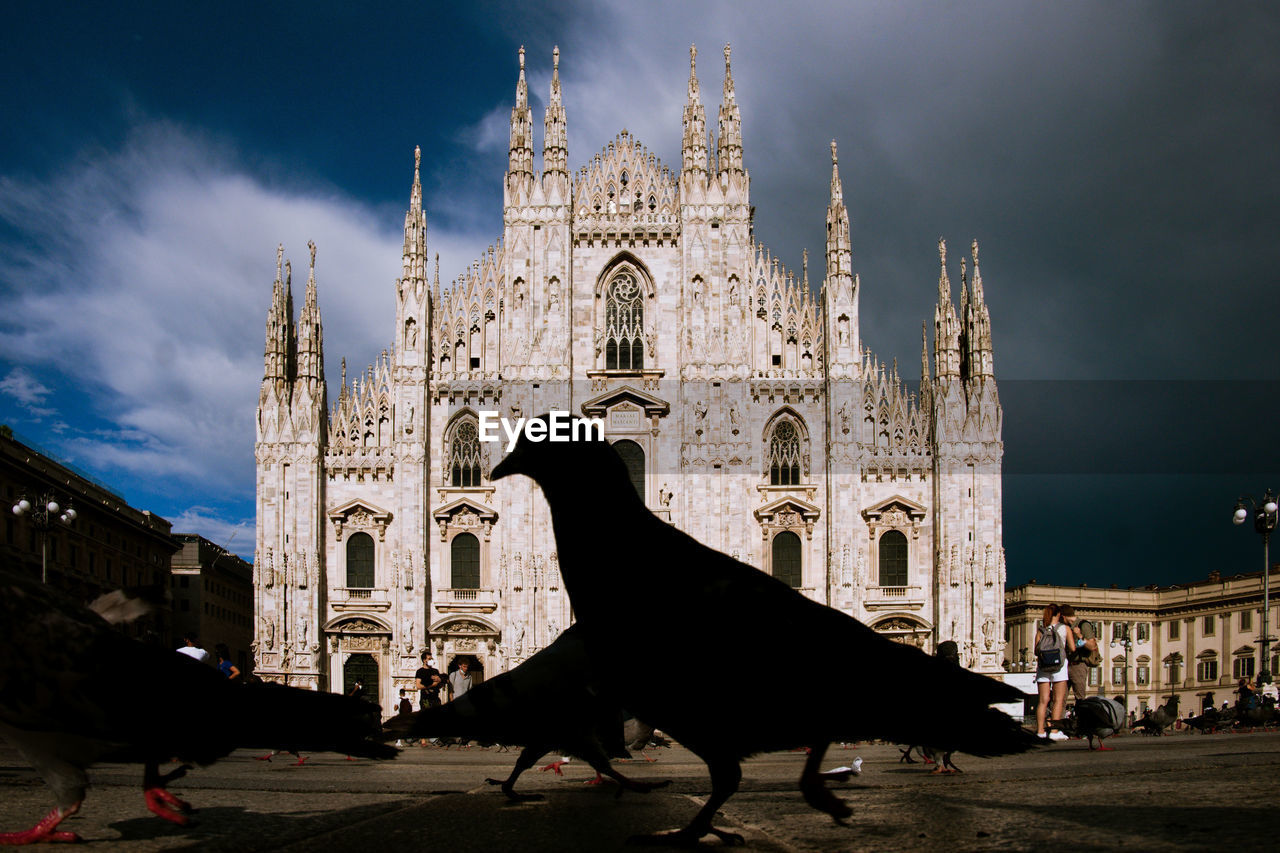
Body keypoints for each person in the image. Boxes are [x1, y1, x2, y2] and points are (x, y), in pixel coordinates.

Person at [1034, 604, 1071, 741]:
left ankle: (1040, 731)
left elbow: (1036, 651)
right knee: (1058, 700)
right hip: (1059, 667)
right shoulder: (1064, 628)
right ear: (1059, 614)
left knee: (1043, 701)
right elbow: (1072, 648)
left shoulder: (1041, 630)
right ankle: (1054, 731)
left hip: (1043, 667)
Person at [1061, 605, 1098, 703]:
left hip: (1078, 665)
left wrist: (1079, 636)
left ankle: (1080, 717)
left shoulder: (1083, 625)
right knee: (1060, 698)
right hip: (1065, 665)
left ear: (1063, 616)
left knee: (1080, 697)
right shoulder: (1066, 627)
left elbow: (1092, 646)